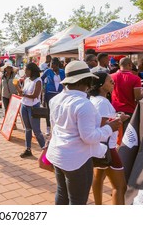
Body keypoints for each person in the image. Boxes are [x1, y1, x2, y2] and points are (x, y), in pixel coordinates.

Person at [46, 61, 122, 205]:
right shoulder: (83, 104)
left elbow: (55, 127)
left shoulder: (56, 99)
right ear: (86, 80)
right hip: (76, 160)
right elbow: (89, 137)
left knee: (62, 194)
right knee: (77, 201)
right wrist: (110, 128)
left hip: (58, 154)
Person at [88, 72, 129, 205]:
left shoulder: (93, 99)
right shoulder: (103, 102)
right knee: (120, 186)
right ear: (100, 85)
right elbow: (102, 125)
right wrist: (119, 119)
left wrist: (115, 117)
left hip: (98, 147)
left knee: (98, 178)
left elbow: (99, 121)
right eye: (110, 81)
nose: (113, 83)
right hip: (107, 148)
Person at [15, 63, 46, 158]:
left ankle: (45, 152)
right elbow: (23, 91)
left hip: (33, 107)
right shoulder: (27, 79)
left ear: (32, 70)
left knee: (36, 131)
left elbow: (35, 95)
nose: (25, 72)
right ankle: (28, 149)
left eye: (26, 70)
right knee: (27, 129)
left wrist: (23, 94)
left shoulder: (38, 81)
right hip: (24, 105)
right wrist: (18, 88)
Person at [111, 57, 143, 135]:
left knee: (115, 136)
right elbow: (137, 97)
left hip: (114, 109)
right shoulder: (136, 78)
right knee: (127, 137)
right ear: (130, 65)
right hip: (129, 110)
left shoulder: (111, 76)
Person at [41, 57, 65, 135]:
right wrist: (43, 87)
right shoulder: (48, 71)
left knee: (59, 111)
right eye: (50, 64)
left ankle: (57, 127)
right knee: (49, 111)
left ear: (56, 65)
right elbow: (41, 79)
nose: (51, 66)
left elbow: (65, 81)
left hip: (60, 94)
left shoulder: (62, 72)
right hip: (49, 93)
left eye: (52, 64)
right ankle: (48, 127)